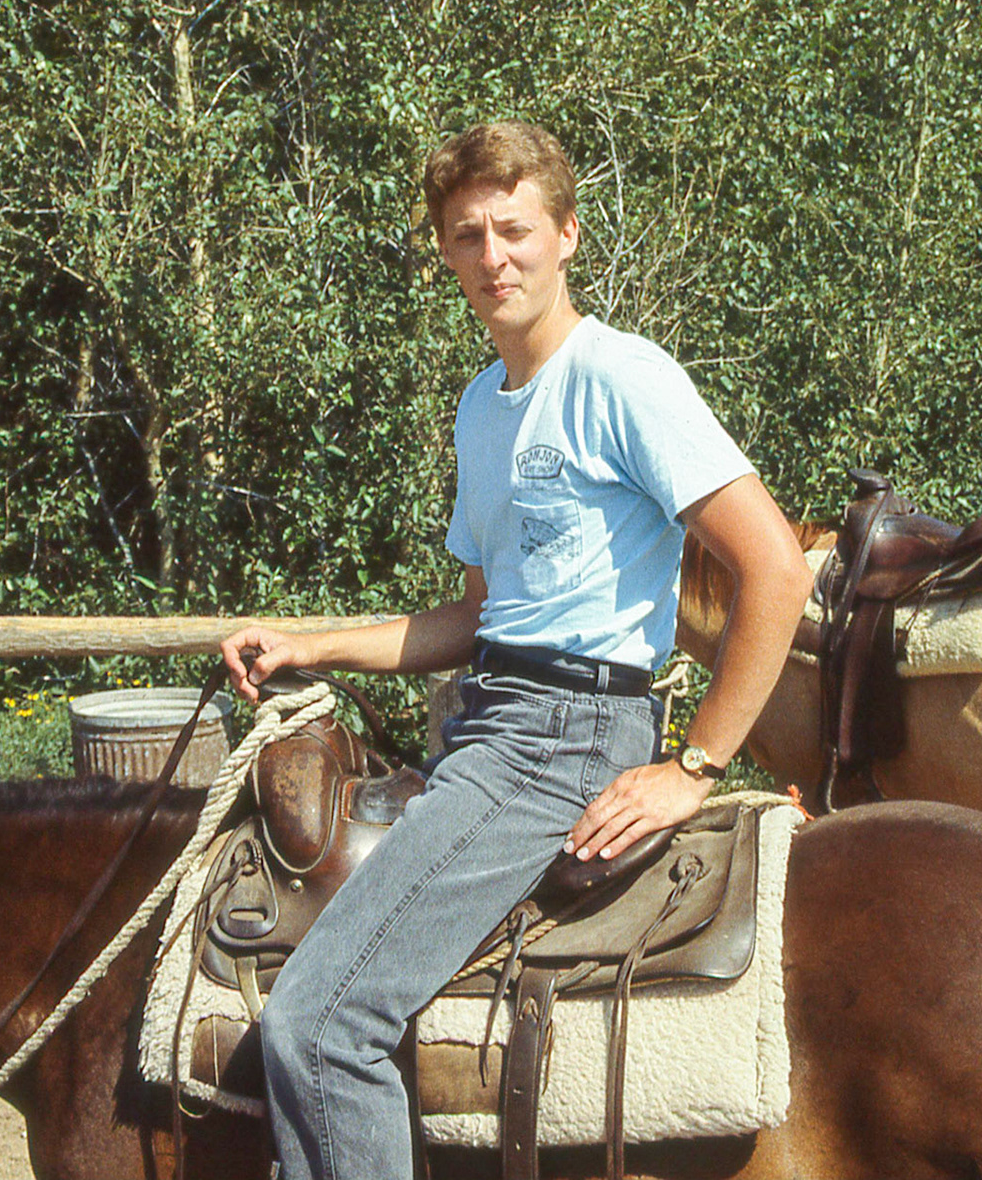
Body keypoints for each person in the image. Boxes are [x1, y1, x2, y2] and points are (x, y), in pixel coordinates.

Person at [220, 120, 811, 1180]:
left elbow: (776, 567)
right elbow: (477, 617)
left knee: (317, 1019)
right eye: (466, 236)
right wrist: (313, 643)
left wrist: (696, 765)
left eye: (514, 229)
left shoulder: (623, 377)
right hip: (495, 720)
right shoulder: (480, 410)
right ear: (444, 253)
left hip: (566, 738)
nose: (494, 256)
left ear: (567, 235)